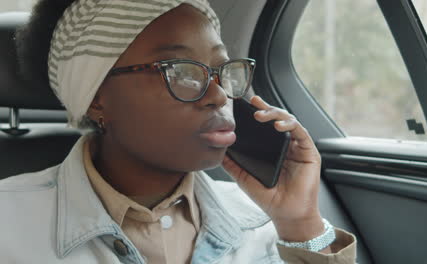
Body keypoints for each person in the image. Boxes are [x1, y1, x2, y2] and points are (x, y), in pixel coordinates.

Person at [0, 0, 356, 263]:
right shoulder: (9, 223)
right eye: (183, 72)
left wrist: (300, 222)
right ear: (96, 98)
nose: (219, 95)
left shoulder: (262, 221)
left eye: (220, 69)